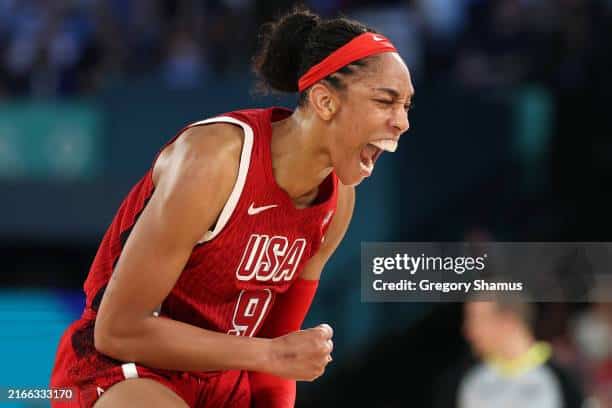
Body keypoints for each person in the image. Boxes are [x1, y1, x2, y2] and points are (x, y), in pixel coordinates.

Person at [50, 6, 414, 408]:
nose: (402, 122)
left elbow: (278, 362)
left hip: (223, 382)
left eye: (406, 106)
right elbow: (117, 330)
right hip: (125, 368)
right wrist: (269, 354)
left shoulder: (338, 202)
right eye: (386, 101)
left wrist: (273, 358)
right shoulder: (216, 159)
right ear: (326, 102)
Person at [435, 300, 585, 408]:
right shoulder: (462, 380)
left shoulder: (566, 378)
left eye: (476, 319)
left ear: (508, 319)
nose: (468, 330)